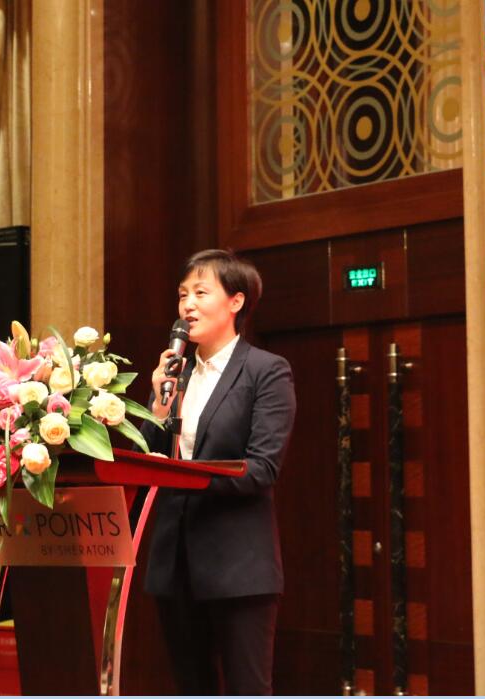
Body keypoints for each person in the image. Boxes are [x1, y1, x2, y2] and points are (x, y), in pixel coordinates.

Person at [140, 248, 296, 695]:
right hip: (175, 564)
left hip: (238, 568)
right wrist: (159, 405)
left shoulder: (266, 371)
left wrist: (187, 477)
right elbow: (147, 460)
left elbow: (262, 468)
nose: (187, 305)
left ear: (236, 301)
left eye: (200, 293)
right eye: (182, 295)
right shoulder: (176, 374)